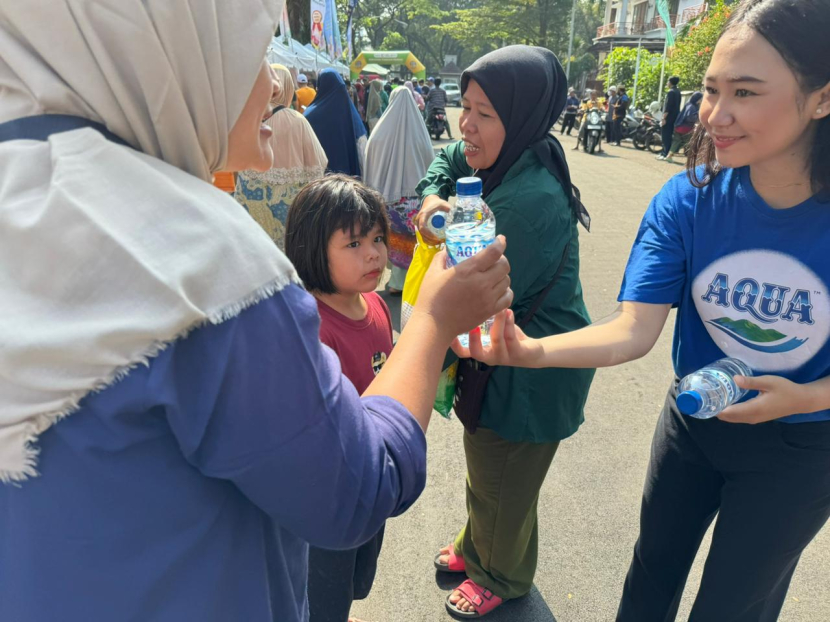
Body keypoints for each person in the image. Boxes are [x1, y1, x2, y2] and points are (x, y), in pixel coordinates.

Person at [0, 3, 516, 621]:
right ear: (172, 52)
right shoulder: (195, 257)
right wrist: (432, 321)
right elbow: (354, 488)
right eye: (252, 49)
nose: (276, 83)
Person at [455, 1, 830, 620]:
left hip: (802, 447)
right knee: (651, 576)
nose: (716, 115)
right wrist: (530, 351)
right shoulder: (687, 200)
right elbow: (633, 330)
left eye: (745, 92)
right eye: (711, 90)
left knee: (735, 603)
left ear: (820, 98)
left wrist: (807, 398)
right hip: (695, 419)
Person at [416, 45, 594, 618]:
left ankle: (505, 576)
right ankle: (478, 546)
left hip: (532, 369)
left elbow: (470, 295)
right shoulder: (498, 161)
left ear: (518, 119)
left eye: (484, 113)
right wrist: (433, 198)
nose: (466, 124)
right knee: (486, 464)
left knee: (506, 481)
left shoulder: (531, 198)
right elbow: (445, 159)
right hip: (498, 354)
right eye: (465, 106)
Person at [284, 176, 393, 622]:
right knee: (324, 599)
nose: (373, 253)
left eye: (378, 238)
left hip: (370, 481)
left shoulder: (376, 305)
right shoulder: (311, 326)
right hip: (329, 497)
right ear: (313, 249)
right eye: (353, 244)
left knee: (355, 580)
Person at [234, 64, 328, 250]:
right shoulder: (296, 120)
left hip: (251, 201)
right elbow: (319, 163)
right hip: (290, 206)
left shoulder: (248, 117)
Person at [364, 87, 434, 295]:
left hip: (386, 200)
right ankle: (414, 280)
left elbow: (369, 160)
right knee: (413, 242)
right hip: (415, 201)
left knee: (393, 240)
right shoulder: (421, 135)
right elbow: (430, 163)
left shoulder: (378, 134)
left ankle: (396, 281)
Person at [305, 68, 368, 177]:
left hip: (318, 183)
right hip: (347, 183)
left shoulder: (308, 115)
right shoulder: (350, 115)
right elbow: (362, 148)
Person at [662, 91, 703, 163]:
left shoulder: (688, 104)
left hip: (679, 126)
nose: (701, 100)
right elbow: (689, 117)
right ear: (697, 99)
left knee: (676, 141)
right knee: (690, 143)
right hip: (686, 128)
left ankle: (669, 156)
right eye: (701, 99)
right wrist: (698, 116)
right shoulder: (692, 107)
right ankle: (692, 160)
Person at [660, 75, 682, 157]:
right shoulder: (678, 92)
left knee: (665, 135)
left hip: (668, 117)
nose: (667, 83)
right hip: (675, 117)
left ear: (670, 82)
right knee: (669, 135)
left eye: (668, 81)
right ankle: (665, 152)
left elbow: (668, 107)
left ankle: (664, 153)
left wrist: (663, 117)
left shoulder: (671, 92)